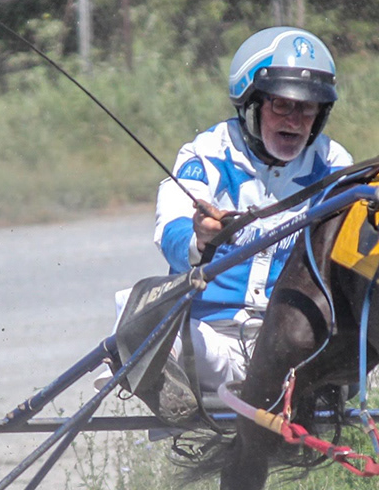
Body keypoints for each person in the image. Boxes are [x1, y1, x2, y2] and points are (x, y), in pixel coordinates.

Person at [143, 27, 352, 393]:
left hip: (292, 347)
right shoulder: (207, 154)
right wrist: (199, 238)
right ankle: (173, 397)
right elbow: (169, 231)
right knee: (138, 313)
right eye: (282, 105)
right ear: (251, 104)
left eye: (307, 107)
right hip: (208, 343)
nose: (295, 120)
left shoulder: (334, 165)